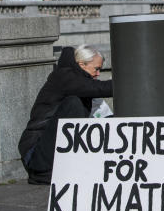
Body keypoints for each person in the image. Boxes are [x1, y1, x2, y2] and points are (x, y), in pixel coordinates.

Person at [17, 45, 111, 185]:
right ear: (82, 65)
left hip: (46, 153)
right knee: (74, 103)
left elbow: (103, 112)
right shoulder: (65, 77)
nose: (98, 74)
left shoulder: (79, 83)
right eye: (96, 69)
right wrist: (129, 84)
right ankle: (44, 173)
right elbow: (100, 88)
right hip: (36, 154)